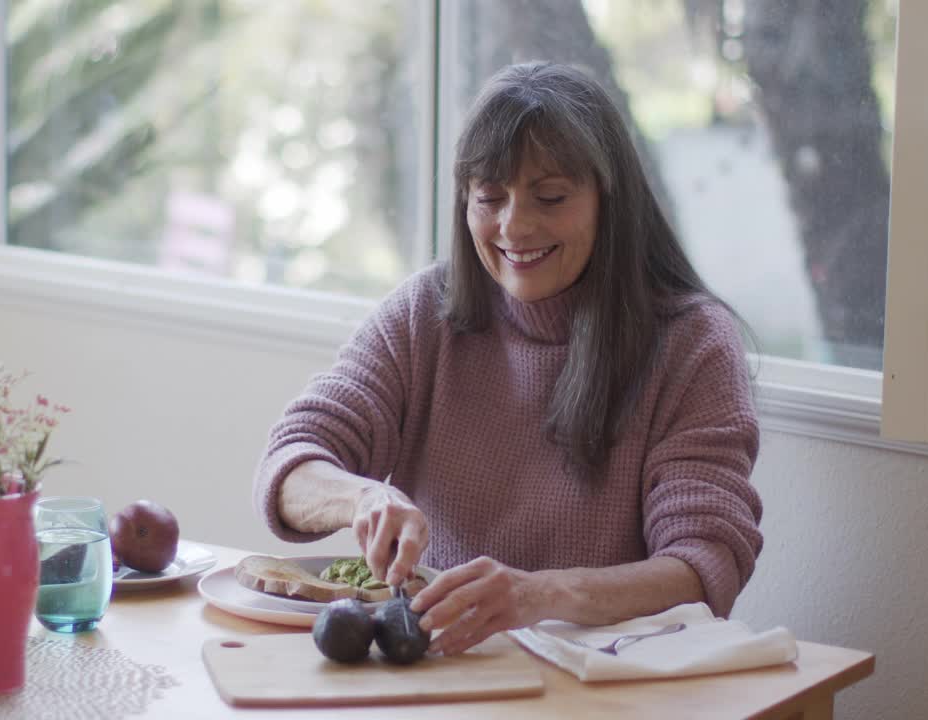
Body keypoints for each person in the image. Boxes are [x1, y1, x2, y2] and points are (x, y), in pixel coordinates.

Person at [252, 61, 763, 657]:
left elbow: (703, 567)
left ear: (608, 198)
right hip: (438, 675)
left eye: (550, 197)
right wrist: (361, 498)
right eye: (489, 197)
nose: (514, 226)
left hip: (602, 686)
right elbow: (290, 464)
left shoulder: (692, 343)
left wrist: (535, 596)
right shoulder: (425, 312)